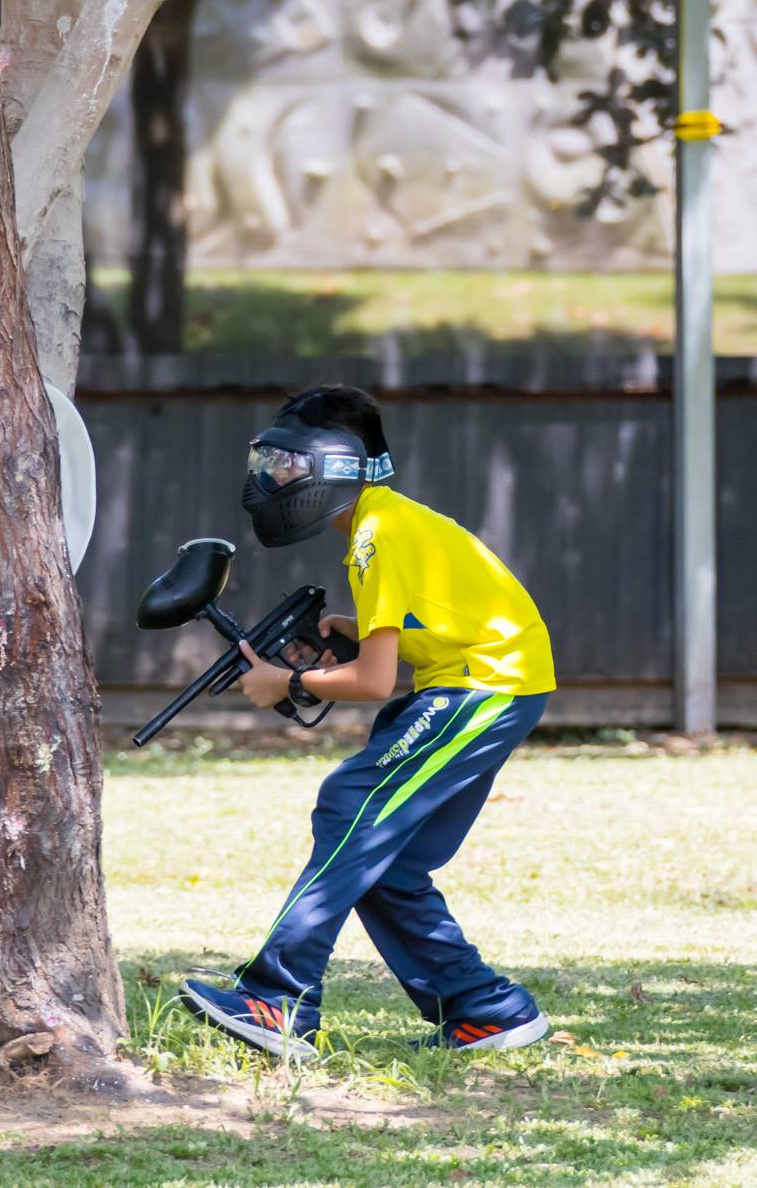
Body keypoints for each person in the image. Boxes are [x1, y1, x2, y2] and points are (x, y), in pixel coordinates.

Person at [178, 385, 557, 1060]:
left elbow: (374, 681)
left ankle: (278, 997)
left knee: (350, 802)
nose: (272, 478)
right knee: (387, 863)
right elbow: (424, 621)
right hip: (499, 681)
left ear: (337, 465)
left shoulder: (376, 535)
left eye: (287, 465)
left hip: (481, 687)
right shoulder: (386, 519)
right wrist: (352, 629)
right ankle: (484, 1008)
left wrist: (282, 682)